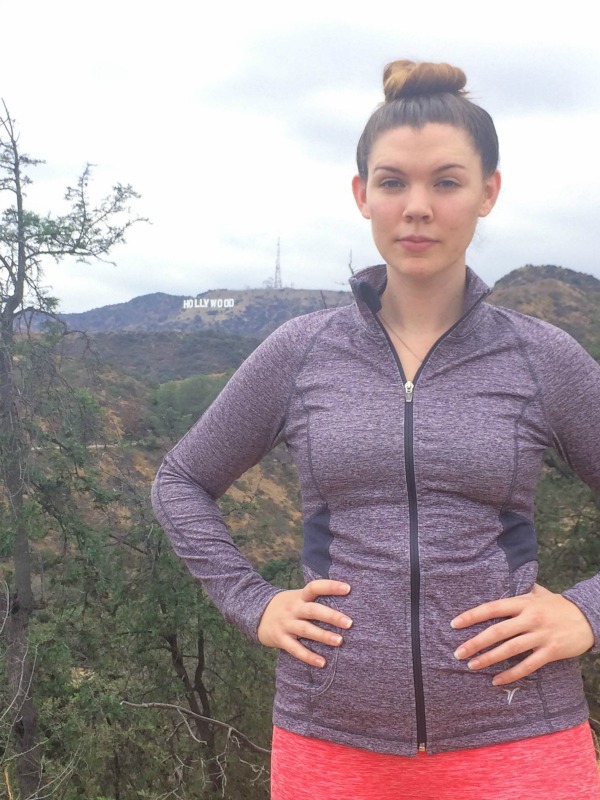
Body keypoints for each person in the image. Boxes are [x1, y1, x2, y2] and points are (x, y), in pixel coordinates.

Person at [151, 60, 600, 799]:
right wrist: (254, 603)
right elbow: (181, 481)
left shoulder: (539, 355)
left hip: (522, 740)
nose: (417, 207)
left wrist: (583, 611)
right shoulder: (301, 352)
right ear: (363, 195)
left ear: (489, 191)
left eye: (447, 181)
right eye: (393, 182)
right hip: (331, 742)